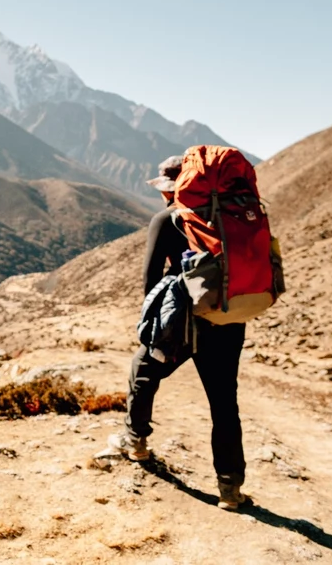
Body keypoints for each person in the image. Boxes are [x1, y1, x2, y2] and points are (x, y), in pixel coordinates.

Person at [114, 155, 248, 511]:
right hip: (229, 321)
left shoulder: (167, 219)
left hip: (183, 325)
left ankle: (136, 442)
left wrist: (153, 326)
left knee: (143, 372)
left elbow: (150, 280)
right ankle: (230, 489)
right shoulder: (229, 215)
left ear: (171, 189)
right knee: (224, 404)